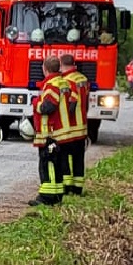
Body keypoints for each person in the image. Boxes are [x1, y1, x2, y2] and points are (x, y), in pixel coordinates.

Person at [27, 55, 67, 207]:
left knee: (48, 164)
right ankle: (55, 196)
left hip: (50, 133)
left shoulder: (51, 85)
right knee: (55, 165)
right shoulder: (61, 82)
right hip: (57, 132)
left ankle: (47, 197)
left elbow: (47, 107)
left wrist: (36, 103)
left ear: (45, 69)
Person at [56, 54, 90, 194]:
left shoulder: (67, 81)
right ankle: (78, 187)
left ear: (61, 64)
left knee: (64, 157)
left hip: (70, 127)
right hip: (82, 126)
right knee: (78, 158)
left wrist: (64, 117)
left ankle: (67, 186)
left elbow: (72, 101)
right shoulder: (82, 78)